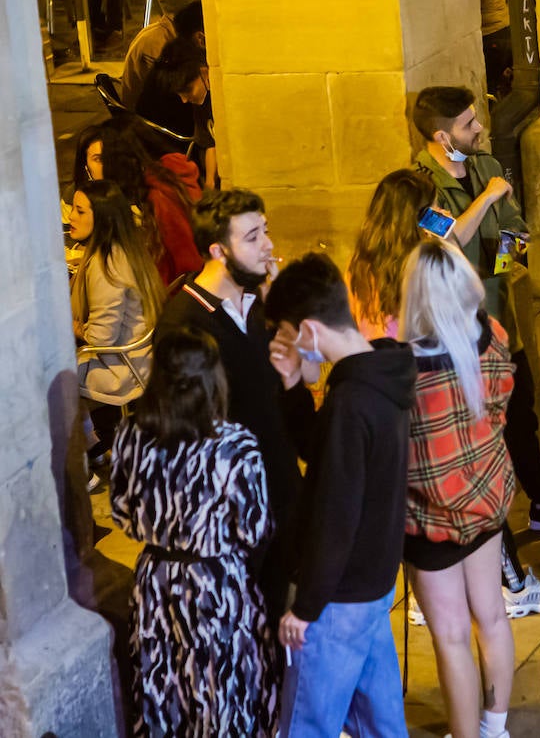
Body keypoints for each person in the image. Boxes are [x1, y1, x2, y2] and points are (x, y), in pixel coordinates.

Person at [348, 168, 540, 620]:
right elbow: (460, 315)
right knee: (474, 490)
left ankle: (426, 594)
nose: (441, 213)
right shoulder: (426, 265)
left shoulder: (363, 262)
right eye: (432, 208)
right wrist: (452, 247)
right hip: (437, 391)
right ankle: (511, 586)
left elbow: (516, 237)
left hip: (388, 393)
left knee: (417, 495)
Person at [410, 87, 540, 549]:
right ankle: (487, 531)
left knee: (521, 416)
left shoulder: (487, 166)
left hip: (502, 323)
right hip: (457, 336)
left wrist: (499, 266)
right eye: (469, 124)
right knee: (476, 431)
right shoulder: (419, 185)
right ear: (441, 135)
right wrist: (488, 200)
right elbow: (447, 242)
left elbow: (518, 228)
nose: (479, 129)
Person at [267, 252, 417, 737]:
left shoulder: (351, 402)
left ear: (308, 332)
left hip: (339, 598)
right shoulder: (379, 374)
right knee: (381, 721)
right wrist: (293, 386)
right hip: (374, 585)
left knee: (306, 724)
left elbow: (336, 517)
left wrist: (306, 607)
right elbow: (328, 455)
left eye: (289, 335)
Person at [109, 324, 277, 737]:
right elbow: (255, 529)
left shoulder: (131, 435)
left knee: (163, 689)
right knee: (221, 693)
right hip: (215, 585)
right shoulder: (235, 445)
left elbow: (120, 515)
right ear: (213, 380)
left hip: (156, 584)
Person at [158, 189, 316, 623]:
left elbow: (301, 382)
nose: (267, 244)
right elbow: (185, 438)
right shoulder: (184, 324)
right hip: (234, 511)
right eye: (252, 236)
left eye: (265, 230)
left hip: (283, 493)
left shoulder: (261, 303)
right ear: (218, 250)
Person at [399, 237, 518, 738]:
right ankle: (495, 727)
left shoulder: (403, 369)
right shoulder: (492, 334)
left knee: (450, 637)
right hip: (487, 498)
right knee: (491, 615)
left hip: (431, 518)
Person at [70, 180, 164, 459]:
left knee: (47, 381)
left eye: (80, 211)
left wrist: (72, 327)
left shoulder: (104, 264)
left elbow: (101, 338)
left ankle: (84, 460)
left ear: (101, 217)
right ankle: (94, 446)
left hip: (121, 366)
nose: (71, 217)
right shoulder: (127, 247)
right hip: (141, 354)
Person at [95, 123, 203, 285]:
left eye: (102, 159)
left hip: (178, 294)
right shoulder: (168, 175)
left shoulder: (162, 196)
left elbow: (188, 261)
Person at [137, 33, 218, 187]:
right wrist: (210, 183)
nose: (184, 100)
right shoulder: (200, 102)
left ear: (204, 72)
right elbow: (210, 143)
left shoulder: (221, 98)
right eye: (179, 94)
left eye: (187, 90)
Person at [121, 0, 204, 109]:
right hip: (144, 117)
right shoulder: (158, 43)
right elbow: (171, 96)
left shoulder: (163, 32)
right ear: (199, 37)